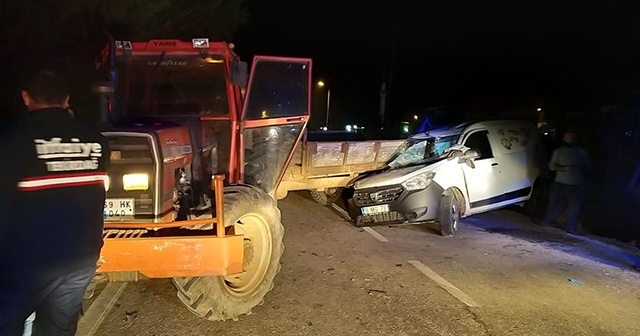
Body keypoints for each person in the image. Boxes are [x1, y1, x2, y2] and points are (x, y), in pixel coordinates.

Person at [0, 69, 110, 336]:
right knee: (58, 330)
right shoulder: (97, 143)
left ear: (26, 98)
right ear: (66, 100)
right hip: (80, 258)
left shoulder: (13, 144)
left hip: (26, 264)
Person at [541, 130, 590, 234]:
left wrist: (580, 171)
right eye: (568, 137)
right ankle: (548, 221)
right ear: (563, 139)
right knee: (557, 204)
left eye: (572, 137)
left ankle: (571, 228)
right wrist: (564, 168)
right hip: (560, 183)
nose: (570, 139)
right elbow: (551, 167)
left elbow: (587, 165)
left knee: (574, 207)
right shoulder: (558, 151)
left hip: (577, 184)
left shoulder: (581, 152)